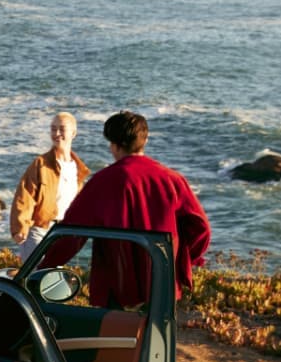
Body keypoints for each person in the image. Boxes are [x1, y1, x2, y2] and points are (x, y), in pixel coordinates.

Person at [45, 110, 212, 307]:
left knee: (115, 337)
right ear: (145, 140)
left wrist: (41, 268)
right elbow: (201, 228)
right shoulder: (173, 180)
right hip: (161, 281)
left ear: (113, 145)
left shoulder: (101, 182)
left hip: (116, 284)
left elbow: (70, 233)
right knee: (158, 336)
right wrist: (182, 260)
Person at [10, 111, 89, 260]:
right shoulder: (41, 164)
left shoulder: (78, 169)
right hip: (39, 231)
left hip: (63, 233)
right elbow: (25, 196)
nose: (57, 133)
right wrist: (19, 228)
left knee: (51, 278)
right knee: (35, 278)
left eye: (62, 129)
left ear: (73, 133)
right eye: (53, 129)